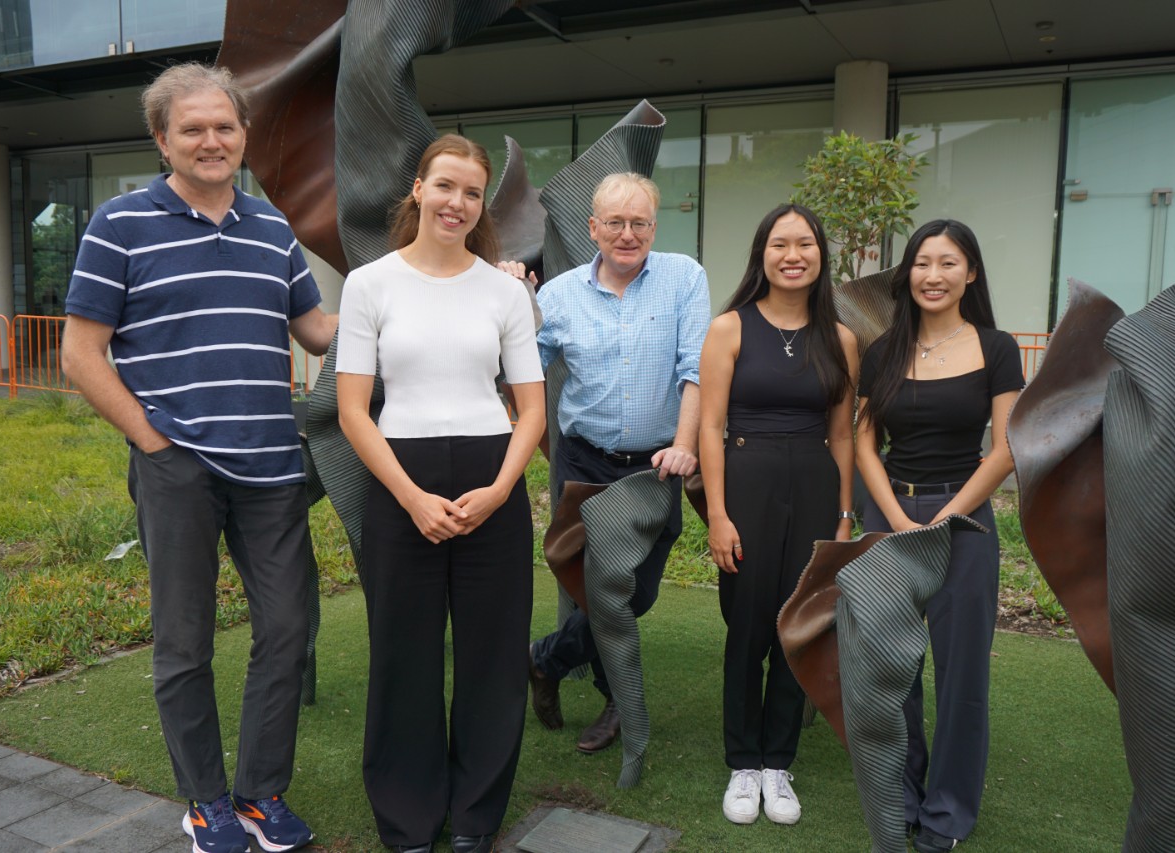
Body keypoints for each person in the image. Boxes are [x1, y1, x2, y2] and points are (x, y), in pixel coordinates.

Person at [62, 63, 336, 853]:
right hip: (177, 466)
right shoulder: (120, 224)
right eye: (193, 129)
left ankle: (258, 794)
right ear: (162, 139)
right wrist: (154, 444)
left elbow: (317, 330)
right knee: (184, 640)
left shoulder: (271, 229)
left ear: (244, 136)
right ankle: (205, 800)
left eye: (225, 126)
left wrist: (424, 306)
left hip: (270, 467)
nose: (212, 140)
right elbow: (82, 356)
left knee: (287, 628)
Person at [334, 135, 546, 853]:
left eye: (472, 191)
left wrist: (497, 490)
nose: (458, 202)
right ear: (418, 189)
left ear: (482, 204)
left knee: (492, 657)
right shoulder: (370, 284)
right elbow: (354, 411)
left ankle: (476, 818)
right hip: (401, 482)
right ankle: (409, 820)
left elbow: (532, 411)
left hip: (493, 479)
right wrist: (412, 497)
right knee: (404, 656)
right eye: (446, 186)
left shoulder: (505, 291)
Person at [521, 172, 711, 754]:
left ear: (654, 226)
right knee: (593, 592)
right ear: (593, 228)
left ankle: (544, 662)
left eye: (639, 223)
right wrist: (508, 297)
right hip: (584, 465)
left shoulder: (684, 278)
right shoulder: (557, 295)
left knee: (635, 593)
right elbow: (520, 365)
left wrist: (684, 446)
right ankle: (616, 700)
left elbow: (694, 369)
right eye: (615, 223)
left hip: (656, 467)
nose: (627, 235)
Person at [854, 220, 1024, 853]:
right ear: (908, 273)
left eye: (948, 263)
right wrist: (896, 516)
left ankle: (946, 814)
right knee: (892, 666)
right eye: (923, 263)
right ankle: (901, 794)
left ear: (970, 273)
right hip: (889, 518)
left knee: (961, 675)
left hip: (967, 521)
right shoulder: (884, 351)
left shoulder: (997, 347)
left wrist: (949, 512)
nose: (933, 275)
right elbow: (865, 439)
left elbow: (1006, 448)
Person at [698, 203, 858, 826]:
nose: (793, 255)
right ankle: (743, 760)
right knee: (748, 624)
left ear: (821, 256)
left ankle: (777, 764)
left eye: (806, 245)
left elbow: (843, 435)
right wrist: (717, 513)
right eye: (780, 244)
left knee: (801, 623)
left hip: (816, 488)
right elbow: (710, 427)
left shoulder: (840, 339)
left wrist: (845, 515)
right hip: (747, 485)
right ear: (762, 254)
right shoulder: (729, 329)